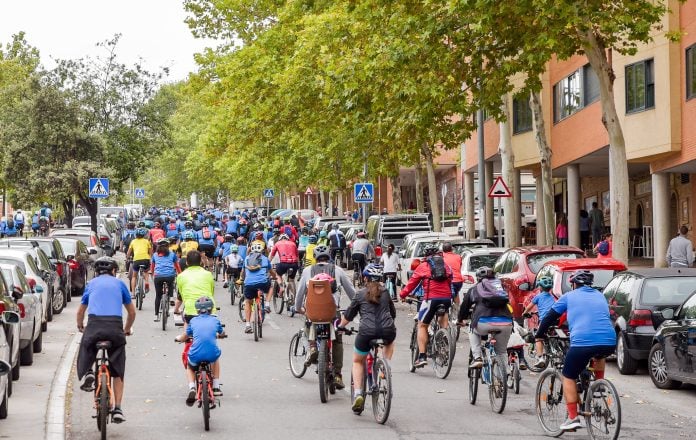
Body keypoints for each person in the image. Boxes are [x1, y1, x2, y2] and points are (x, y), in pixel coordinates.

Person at [535, 270, 616, 431]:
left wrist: (539, 334)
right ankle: (599, 385)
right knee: (599, 355)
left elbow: (550, 317)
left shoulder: (569, 296)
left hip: (583, 341)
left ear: (573, 284)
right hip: (609, 340)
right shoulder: (600, 295)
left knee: (568, 376)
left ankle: (573, 418)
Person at [76, 256, 136, 424]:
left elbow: (80, 312)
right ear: (114, 270)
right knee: (117, 369)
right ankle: (117, 408)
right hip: (114, 327)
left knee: (86, 346)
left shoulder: (91, 284)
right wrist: (125, 330)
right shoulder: (120, 284)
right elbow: (131, 313)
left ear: (96, 271)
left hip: (94, 325)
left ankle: (88, 371)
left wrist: (81, 326)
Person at [294, 245, 356, 389]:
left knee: (308, 325)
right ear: (330, 256)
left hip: (313, 312)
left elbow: (300, 294)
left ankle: (313, 347)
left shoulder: (307, 271)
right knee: (337, 340)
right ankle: (337, 375)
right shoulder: (338, 271)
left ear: (315, 258)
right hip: (333, 313)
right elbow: (353, 294)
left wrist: (299, 309)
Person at [339, 264, 396, 414]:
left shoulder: (360, 294)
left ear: (365, 278)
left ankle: (358, 393)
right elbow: (393, 314)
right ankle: (386, 367)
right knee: (390, 341)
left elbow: (348, 316)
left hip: (366, 332)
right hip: (387, 330)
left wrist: (340, 327)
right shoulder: (386, 293)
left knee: (358, 361)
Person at [399, 243, 453, 368]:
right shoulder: (446, 266)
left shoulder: (423, 266)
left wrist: (402, 295)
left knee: (422, 325)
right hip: (446, 299)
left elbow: (411, 284)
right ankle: (444, 340)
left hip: (431, 299)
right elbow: (452, 280)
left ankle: (422, 356)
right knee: (443, 317)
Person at [457, 266, 513, 369]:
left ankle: (477, 358)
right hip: (506, 322)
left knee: (471, 329)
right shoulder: (500, 288)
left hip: (483, 322)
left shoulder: (474, 289)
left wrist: (460, 320)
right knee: (501, 352)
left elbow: (464, 308)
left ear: (478, 278)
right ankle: (505, 378)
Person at [184, 296, 226, 405]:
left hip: (196, 355)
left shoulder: (193, 321)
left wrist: (179, 338)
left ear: (197, 310)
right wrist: (220, 335)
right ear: (211, 309)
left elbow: (186, 335)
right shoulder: (215, 320)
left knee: (189, 367)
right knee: (215, 359)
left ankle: (192, 388)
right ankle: (216, 387)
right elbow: (222, 333)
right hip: (211, 354)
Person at [175, 250, 215, 340]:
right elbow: (212, 292)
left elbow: (182, 295)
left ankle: (186, 337)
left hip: (190, 311)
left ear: (186, 262)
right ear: (201, 261)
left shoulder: (181, 276)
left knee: (187, 321)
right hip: (209, 310)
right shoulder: (209, 274)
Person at [521, 275, 556, 369]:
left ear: (540, 287)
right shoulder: (552, 297)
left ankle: (540, 358)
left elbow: (529, 307)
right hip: (555, 319)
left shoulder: (538, 296)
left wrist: (524, 313)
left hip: (545, 319)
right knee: (553, 334)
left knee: (538, 337)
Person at [241, 242, 273, 332]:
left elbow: (243, 273)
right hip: (262, 283)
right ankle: (267, 304)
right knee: (271, 287)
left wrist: (243, 279)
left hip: (248, 284)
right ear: (262, 251)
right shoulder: (265, 259)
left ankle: (247, 325)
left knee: (248, 302)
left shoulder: (247, 258)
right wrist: (274, 277)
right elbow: (271, 272)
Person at [150, 239, 181, 322]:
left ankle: (156, 315)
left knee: (158, 296)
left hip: (158, 276)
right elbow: (177, 266)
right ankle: (171, 297)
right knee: (171, 282)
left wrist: (152, 274)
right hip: (169, 275)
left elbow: (152, 267)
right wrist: (180, 273)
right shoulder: (172, 254)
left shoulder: (155, 255)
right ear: (168, 246)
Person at [126, 228, 153, 295]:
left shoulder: (133, 241)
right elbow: (151, 252)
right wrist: (150, 258)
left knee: (134, 276)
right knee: (146, 272)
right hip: (145, 260)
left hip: (136, 260)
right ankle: (146, 282)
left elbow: (128, 253)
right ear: (143, 235)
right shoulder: (147, 241)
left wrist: (127, 258)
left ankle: (133, 293)